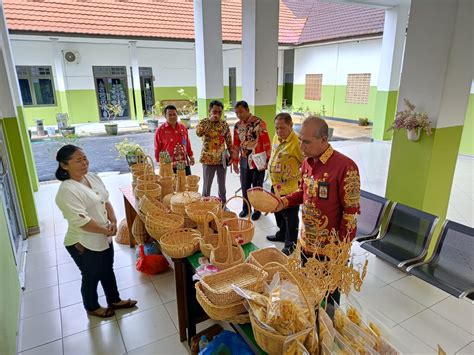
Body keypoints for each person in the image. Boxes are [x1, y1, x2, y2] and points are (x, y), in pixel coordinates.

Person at [276, 116, 360, 305]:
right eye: (300, 140)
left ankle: (327, 329)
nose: (301, 146)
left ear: (324, 140)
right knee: (309, 293)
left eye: (306, 142)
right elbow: (303, 192)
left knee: (329, 299)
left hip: (331, 248)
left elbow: (351, 213)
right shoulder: (307, 162)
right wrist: (283, 202)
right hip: (306, 243)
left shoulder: (346, 167)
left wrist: (340, 250)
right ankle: (310, 327)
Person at [55, 145, 137, 318]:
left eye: (85, 158)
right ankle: (92, 306)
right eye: (78, 160)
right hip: (83, 241)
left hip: (103, 235)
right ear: (64, 165)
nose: (85, 163)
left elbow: (105, 201)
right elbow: (81, 221)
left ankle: (114, 300)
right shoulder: (67, 190)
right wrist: (105, 229)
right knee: (92, 275)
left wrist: (113, 221)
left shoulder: (91, 177)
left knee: (107, 269)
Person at [266, 113, 304, 255]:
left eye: (282, 128)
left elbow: (305, 163)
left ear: (290, 125)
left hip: (290, 188)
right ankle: (282, 234)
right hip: (275, 185)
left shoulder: (297, 143)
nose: (278, 131)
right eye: (276, 128)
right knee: (278, 213)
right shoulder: (276, 137)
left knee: (290, 218)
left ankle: (291, 243)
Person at [231, 100, 271, 220]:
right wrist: (235, 161)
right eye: (237, 113)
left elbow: (266, 142)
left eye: (241, 112)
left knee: (257, 186)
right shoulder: (237, 126)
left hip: (258, 159)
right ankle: (245, 208)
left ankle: (257, 209)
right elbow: (236, 144)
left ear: (248, 110)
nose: (239, 115)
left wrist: (268, 159)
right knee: (245, 185)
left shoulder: (259, 123)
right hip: (244, 158)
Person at [196, 100, 232, 204]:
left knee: (222, 185)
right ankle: (204, 205)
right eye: (215, 111)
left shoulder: (224, 124)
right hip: (208, 160)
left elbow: (229, 141)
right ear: (209, 111)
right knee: (207, 185)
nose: (217, 114)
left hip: (222, 160)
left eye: (220, 112)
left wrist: (231, 156)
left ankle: (223, 205)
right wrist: (209, 121)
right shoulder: (204, 122)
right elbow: (198, 133)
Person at [154, 104, 195, 175]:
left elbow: (187, 143)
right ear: (165, 116)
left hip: (184, 163)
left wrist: (191, 156)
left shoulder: (182, 127)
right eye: (170, 115)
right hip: (169, 165)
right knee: (172, 185)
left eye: (174, 114)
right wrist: (159, 163)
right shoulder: (160, 130)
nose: (172, 116)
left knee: (187, 184)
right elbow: (157, 148)